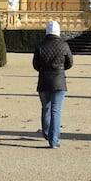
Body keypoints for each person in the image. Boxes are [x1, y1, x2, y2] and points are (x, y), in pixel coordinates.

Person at [32, 20, 73, 148]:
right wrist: (60, 69)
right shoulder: (64, 45)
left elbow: (35, 65)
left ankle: (46, 132)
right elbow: (70, 62)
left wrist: (44, 70)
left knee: (46, 108)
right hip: (59, 81)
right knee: (56, 110)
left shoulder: (40, 45)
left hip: (44, 80)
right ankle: (54, 140)